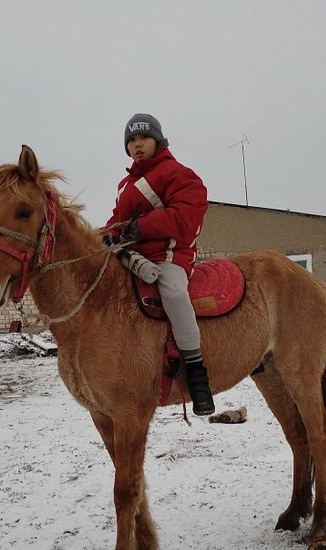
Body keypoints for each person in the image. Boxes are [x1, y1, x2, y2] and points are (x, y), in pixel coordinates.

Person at [104, 113, 215, 416]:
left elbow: (187, 218)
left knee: (175, 293)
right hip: (135, 257)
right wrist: (105, 234)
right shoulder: (126, 185)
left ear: (158, 140)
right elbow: (118, 219)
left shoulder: (178, 174)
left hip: (170, 256)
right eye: (131, 141)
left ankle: (195, 370)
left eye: (143, 139)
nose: (137, 145)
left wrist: (141, 228)